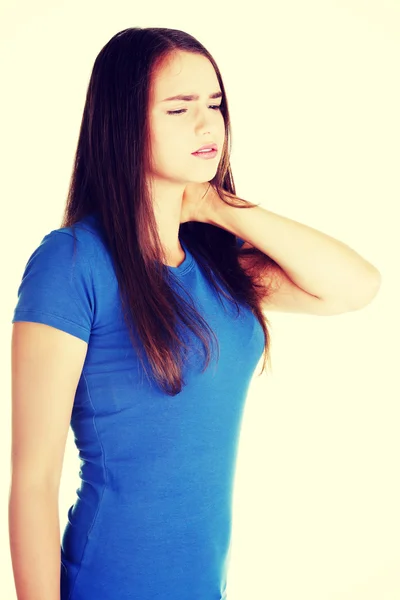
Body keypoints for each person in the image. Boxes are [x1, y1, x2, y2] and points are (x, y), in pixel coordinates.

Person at [9, 27, 274, 600]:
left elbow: (354, 287)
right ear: (124, 124)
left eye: (215, 104)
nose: (207, 125)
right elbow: (33, 482)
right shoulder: (71, 262)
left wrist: (215, 205)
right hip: (109, 583)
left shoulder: (219, 262)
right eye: (180, 108)